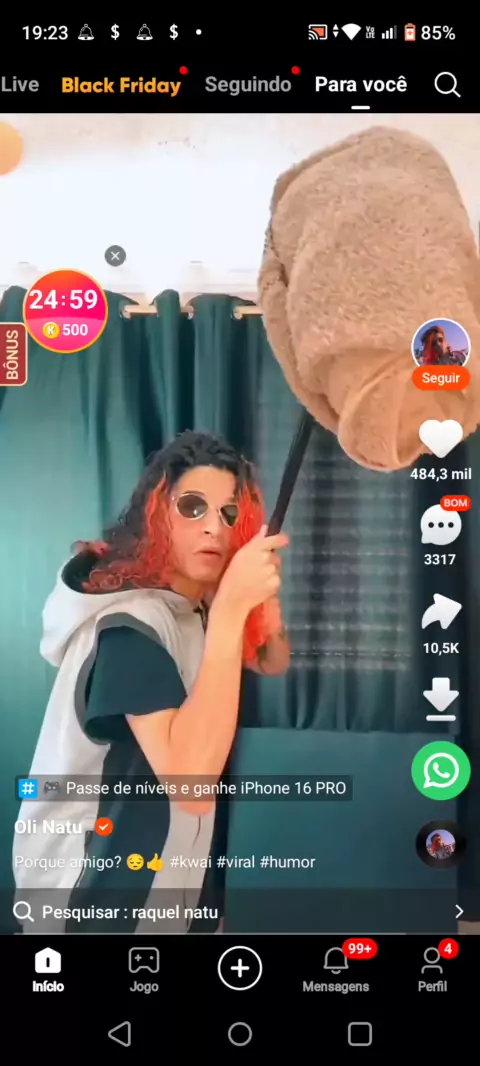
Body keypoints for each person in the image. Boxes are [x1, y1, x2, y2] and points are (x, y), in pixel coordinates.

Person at [13, 430, 290, 932]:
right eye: (193, 507)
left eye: (229, 513)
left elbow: (272, 660)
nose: (214, 527)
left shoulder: (190, 612)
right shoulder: (129, 629)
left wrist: (258, 607)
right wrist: (232, 609)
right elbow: (191, 786)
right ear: (157, 517)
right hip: (89, 905)